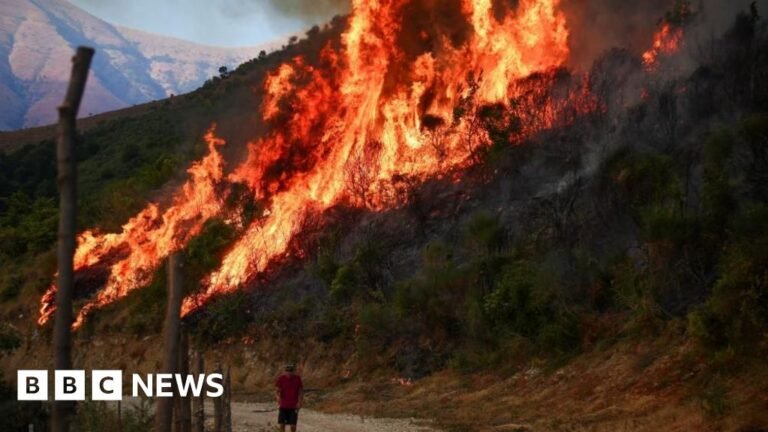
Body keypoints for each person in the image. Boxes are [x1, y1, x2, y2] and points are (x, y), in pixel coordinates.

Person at [275, 363, 304, 432]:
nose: (289, 372)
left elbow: (300, 392)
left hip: (294, 406)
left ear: (293, 371)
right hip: (283, 405)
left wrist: (300, 402)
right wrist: (277, 397)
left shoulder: (297, 379)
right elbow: (276, 391)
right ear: (285, 371)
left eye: (291, 371)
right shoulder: (281, 378)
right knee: (282, 424)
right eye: (287, 371)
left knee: (293, 425)